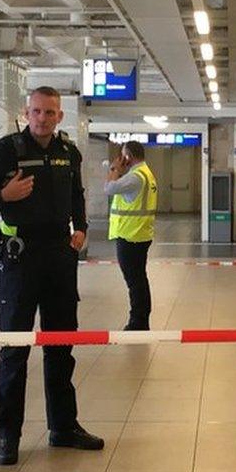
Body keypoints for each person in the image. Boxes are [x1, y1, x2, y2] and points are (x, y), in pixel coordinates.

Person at [0, 86, 104, 467]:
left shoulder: (68, 153)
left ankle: (63, 427)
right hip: (20, 260)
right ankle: (8, 436)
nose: (43, 119)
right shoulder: (7, 150)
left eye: (50, 113)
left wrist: (81, 226)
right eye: (37, 112)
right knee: (14, 350)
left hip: (61, 257)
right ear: (26, 113)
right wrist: (4, 196)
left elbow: (76, 195)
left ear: (60, 116)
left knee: (61, 348)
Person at [105, 141, 157, 330]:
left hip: (130, 236)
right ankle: (140, 320)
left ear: (128, 156)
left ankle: (138, 322)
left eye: (123, 156)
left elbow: (109, 188)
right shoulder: (145, 173)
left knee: (135, 282)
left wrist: (114, 168)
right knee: (138, 280)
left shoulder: (136, 177)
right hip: (139, 234)